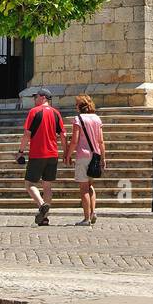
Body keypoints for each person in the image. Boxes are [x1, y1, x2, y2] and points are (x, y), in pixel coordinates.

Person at [17, 88, 64, 225]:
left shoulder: (34, 112)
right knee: (47, 186)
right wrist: (66, 152)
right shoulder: (56, 113)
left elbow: (27, 134)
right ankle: (44, 218)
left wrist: (21, 151)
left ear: (43, 97)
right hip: (53, 154)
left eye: (35, 96)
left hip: (38, 153)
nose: (34, 99)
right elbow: (63, 135)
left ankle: (42, 204)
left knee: (29, 184)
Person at [65, 93, 106, 225]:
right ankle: (93, 212)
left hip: (83, 155)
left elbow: (75, 141)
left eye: (76, 104)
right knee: (90, 185)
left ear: (79, 106)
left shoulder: (78, 119)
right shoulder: (97, 119)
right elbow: (101, 141)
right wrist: (103, 158)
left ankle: (86, 218)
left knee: (83, 188)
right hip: (95, 155)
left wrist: (68, 154)